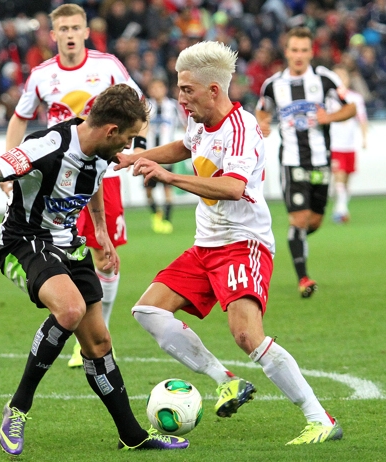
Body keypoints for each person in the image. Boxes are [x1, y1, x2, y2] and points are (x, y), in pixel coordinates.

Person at [0, 84, 189, 455]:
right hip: (24, 241)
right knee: (71, 309)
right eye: (126, 139)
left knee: (99, 343)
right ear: (111, 131)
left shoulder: (101, 148)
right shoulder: (47, 145)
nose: (127, 147)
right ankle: (18, 407)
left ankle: (132, 435)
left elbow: (92, 182)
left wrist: (102, 230)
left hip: (69, 244)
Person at [115, 41, 343, 446]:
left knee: (246, 335)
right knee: (148, 309)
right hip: (206, 244)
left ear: (214, 90)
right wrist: (140, 156)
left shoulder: (243, 128)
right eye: (179, 87)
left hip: (243, 243)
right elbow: (185, 147)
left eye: (187, 89)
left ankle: (319, 418)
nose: (180, 97)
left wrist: (170, 178)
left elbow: (234, 187)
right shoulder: (198, 121)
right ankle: (227, 381)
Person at [4, 3, 148, 368]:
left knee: (104, 252)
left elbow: (138, 105)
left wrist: (141, 148)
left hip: (102, 177)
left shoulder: (108, 66)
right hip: (57, 181)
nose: (69, 34)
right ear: (53, 35)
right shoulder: (41, 75)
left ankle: (94, 332)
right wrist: (10, 166)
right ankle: (73, 314)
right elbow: (19, 120)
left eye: (75, 28)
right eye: (62, 29)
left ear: (86, 31)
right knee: (63, 251)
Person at [255, 27, 356, 298]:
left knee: (314, 221)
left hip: (321, 160)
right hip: (291, 161)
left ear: (311, 52)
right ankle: (304, 278)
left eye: (303, 50)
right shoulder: (273, 84)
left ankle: (294, 238)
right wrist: (262, 124)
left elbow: (351, 108)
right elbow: (262, 110)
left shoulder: (325, 79)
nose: (298, 55)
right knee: (299, 219)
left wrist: (329, 118)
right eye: (294, 50)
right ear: (286, 52)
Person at [144, 79, 186, 234]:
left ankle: (167, 220)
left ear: (164, 89)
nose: (157, 91)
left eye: (159, 87)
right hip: (149, 154)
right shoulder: (146, 106)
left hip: (167, 154)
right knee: (149, 190)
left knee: (167, 187)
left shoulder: (173, 106)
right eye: (153, 88)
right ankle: (156, 214)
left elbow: (185, 124)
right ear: (149, 90)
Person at [329, 65, 368, 224]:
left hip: (350, 146)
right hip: (335, 145)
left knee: (347, 180)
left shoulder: (355, 98)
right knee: (339, 176)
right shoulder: (329, 98)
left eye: (342, 76)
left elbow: (362, 120)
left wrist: (365, 139)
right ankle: (341, 210)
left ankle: (341, 206)